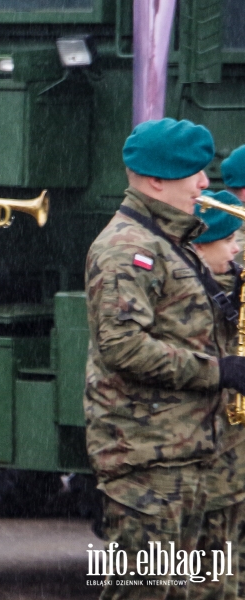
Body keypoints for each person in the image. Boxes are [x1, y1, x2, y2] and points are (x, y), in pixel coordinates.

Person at [85, 118, 245, 598]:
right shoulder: (127, 247)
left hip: (190, 451)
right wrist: (221, 371)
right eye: (194, 173)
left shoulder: (170, 243)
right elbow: (123, 346)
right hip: (148, 457)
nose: (204, 184)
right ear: (157, 181)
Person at [191, 190, 245, 600]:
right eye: (228, 241)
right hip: (205, 445)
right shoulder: (191, 288)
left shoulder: (225, 278)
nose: (236, 250)